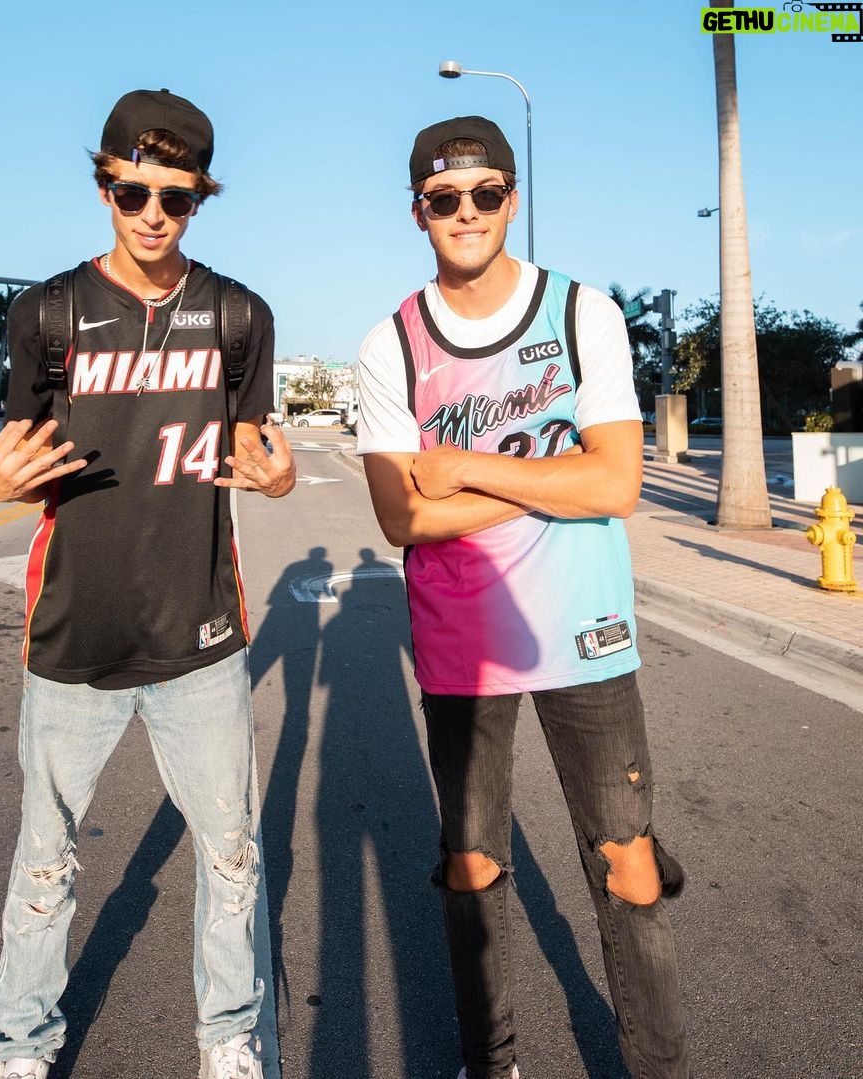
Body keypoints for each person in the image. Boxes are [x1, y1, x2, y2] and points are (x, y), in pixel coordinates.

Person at [356, 115, 691, 1079]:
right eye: (444, 198)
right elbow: (400, 517)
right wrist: (553, 474)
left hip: (587, 630)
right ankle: (489, 1058)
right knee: (472, 867)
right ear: (418, 212)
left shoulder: (582, 314)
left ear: (512, 197)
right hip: (463, 643)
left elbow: (616, 483)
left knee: (629, 863)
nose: (466, 212)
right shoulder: (391, 343)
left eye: (485, 193)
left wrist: (464, 467)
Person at [0, 88, 295, 1079]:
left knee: (232, 855)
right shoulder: (48, 313)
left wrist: (278, 476)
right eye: (133, 192)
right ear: (104, 187)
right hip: (72, 633)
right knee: (44, 856)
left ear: (200, 197)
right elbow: (13, 456)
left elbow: (258, 453)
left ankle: (228, 1037)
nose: (154, 214)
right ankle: (21, 1045)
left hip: (199, 638)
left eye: (177, 196)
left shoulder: (238, 315)